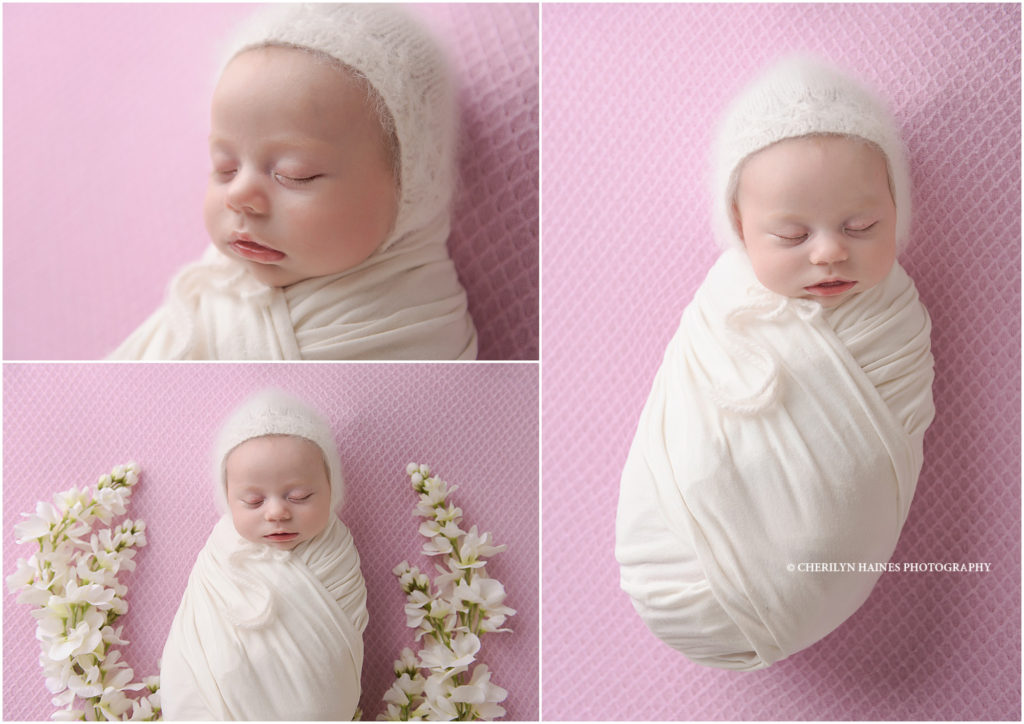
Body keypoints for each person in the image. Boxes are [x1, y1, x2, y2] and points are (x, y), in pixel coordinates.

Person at [615, 55, 935, 670]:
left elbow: (868, 463)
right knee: (702, 463)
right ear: (740, 228)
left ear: (897, 212)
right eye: (792, 236)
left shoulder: (893, 317)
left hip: (817, 582)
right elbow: (690, 407)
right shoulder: (726, 304)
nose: (830, 251)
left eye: (864, 225)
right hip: (679, 579)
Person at [109, 4, 476, 360]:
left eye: (293, 174)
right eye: (225, 168)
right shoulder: (214, 289)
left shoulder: (418, 328)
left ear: (410, 190)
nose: (239, 196)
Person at [160, 389, 368, 719]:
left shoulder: (336, 553)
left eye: (299, 496)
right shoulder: (221, 554)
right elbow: (192, 640)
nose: (276, 513)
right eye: (254, 501)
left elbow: (334, 658)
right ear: (228, 500)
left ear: (332, 489)